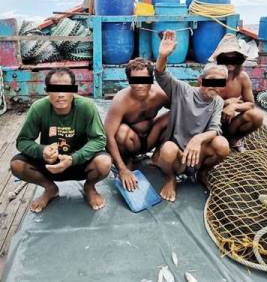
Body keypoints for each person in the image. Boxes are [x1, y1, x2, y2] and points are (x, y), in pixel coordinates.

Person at [10, 68, 111, 212]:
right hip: (50, 164)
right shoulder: (39, 108)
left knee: (104, 163)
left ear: (74, 90)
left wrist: (73, 158)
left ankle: (90, 187)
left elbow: (99, 140)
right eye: (55, 89)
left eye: (66, 89)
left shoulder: (86, 107)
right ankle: (50, 188)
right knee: (17, 165)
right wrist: (42, 150)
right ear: (47, 91)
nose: (61, 95)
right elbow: (23, 141)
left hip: (79, 162)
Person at [152, 30, 230, 202]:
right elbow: (160, 74)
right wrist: (163, 56)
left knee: (222, 145)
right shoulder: (182, 90)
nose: (215, 88)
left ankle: (202, 173)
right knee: (167, 149)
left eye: (220, 84)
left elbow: (215, 129)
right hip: (178, 155)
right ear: (201, 81)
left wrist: (198, 139)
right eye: (212, 82)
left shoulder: (217, 102)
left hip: (198, 155)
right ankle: (170, 178)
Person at [104, 58, 170, 192]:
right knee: (120, 131)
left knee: (174, 115)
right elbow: (108, 136)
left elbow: (185, 105)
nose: (140, 85)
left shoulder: (160, 94)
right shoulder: (121, 100)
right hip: (132, 142)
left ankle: (159, 153)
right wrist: (122, 169)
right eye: (135, 81)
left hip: (152, 138)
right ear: (129, 81)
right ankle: (127, 160)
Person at [211, 34, 263, 151]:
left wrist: (234, 106)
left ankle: (233, 140)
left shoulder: (242, 78)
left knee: (256, 115)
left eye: (234, 58)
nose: (230, 62)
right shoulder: (213, 76)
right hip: (210, 124)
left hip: (230, 124)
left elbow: (250, 104)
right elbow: (201, 102)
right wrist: (225, 103)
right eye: (226, 58)